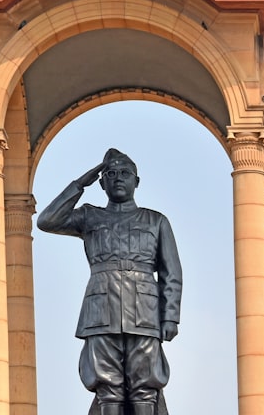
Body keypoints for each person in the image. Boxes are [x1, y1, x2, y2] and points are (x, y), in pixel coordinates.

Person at [37, 149, 182, 415]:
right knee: (107, 386)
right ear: (101, 183)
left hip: (145, 314)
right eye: (110, 174)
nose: (118, 179)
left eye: (125, 174)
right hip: (100, 311)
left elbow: (171, 272)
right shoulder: (89, 217)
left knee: (145, 385)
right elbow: (47, 220)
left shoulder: (156, 221)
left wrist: (170, 316)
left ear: (136, 181)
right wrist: (81, 182)